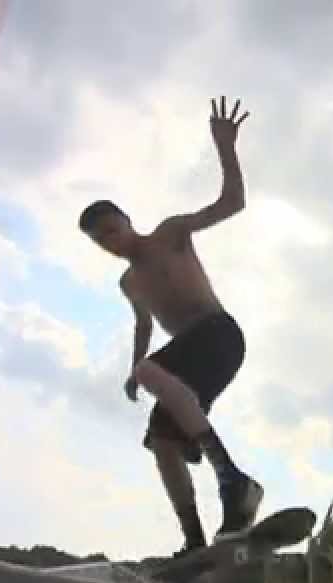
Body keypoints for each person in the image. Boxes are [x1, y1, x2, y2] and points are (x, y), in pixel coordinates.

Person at [77, 96, 262, 558]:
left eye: (112, 231)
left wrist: (225, 146)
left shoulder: (170, 233)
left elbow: (233, 202)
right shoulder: (129, 282)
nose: (111, 243)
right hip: (188, 359)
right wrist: (133, 369)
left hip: (219, 336)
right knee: (162, 440)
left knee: (149, 373)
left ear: (126, 221)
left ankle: (231, 478)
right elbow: (144, 329)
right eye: (101, 241)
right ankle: (195, 541)